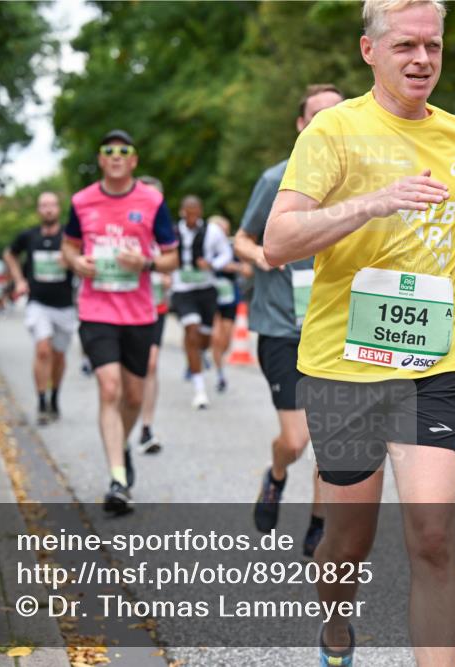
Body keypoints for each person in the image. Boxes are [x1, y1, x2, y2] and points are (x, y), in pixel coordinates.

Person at [263, 1, 455, 663]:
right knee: (348, 542)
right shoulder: (333, 132)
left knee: (433, 537)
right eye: (405, 46)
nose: (422, 60)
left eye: (432, 46)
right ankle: (336, 624)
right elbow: (276, 242)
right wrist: (373, 199)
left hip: (433, 365)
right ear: (369, 50)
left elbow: (442, 225)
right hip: (344, 369)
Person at [235, 83, 344, 559]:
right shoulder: (276, 178)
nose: (325, 123)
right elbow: (242, 238)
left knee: (330, 438)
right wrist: (261, 255)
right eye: (316, 116)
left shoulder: (357, 181)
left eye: (335, 115)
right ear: (301, 126)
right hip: (282, 329)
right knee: (297, 440)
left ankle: (319, 523)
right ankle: (276, 474)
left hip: (336, 329)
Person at [62, 130, 179, 514]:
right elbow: (69, 246)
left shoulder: (152, 201)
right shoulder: (82, 202)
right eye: (107, 150)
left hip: (138, 312)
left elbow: (171, 258)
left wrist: (144, 263)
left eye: (122, 151)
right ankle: (117, 477)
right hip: (96, 310)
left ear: (133, 160)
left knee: (132, 395)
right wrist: (77, 262)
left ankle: (122, 446)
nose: (115, 156)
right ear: (101, 159)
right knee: (109, 388)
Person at [4, 191, 77, 425]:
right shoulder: (29, 236)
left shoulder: (69, 236)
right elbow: (10, 254)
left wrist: (71, 262)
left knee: (58, 355)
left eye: (52, 205)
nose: (48, 209)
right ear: (38, 210)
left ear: (58, 208)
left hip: (65, 304)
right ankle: (42, 401)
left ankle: (55, 395)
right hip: (38, 303)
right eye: (43, 205)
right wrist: (19, 280)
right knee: (43, 350)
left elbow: (84, 260)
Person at [169, 195, 233, 409]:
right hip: (182, 289)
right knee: (191, 330)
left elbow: (226, 253)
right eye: (188, 212)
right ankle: (199, 390)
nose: (192, 216)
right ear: (182, 212)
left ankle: (199, 353)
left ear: (201, 212)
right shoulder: (173, 231)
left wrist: (212, 264)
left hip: (206, 289)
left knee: (204, 338)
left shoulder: (212, 232)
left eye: (196, 212)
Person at [137, 175, 168, 453]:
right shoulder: (127, 229)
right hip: (126, 310)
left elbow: (178, 262)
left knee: (151, 364)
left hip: (156, 308)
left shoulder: (166, 231)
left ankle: (146, 427)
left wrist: (169, 277)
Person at [207, 214, 250, 393]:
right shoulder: (206, 248)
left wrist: (235, 267)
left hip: (230, 297)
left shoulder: (233, 248)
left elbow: (247, 270)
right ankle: (220, 374)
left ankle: (217, 360)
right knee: (216, 336)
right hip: (211, 295)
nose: (222, 234)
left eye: (225, 230)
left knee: (226, 339)